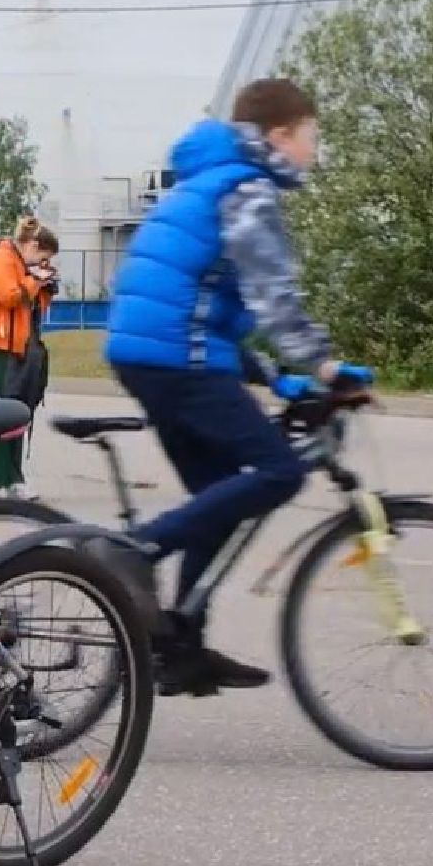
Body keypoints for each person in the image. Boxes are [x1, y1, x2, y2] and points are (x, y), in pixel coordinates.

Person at [95, 77, 370, 697]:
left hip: (153, 353)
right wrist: (327, 369)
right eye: (310, 138)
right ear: (278, 136)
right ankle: (136, 550)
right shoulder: (247, 189)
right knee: (278, 473)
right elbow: (275, 297)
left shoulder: (208, 181)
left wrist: (280, 377)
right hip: (175, 357)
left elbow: (208, 309)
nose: (314, 152)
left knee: (221, 497)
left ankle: (181, 649)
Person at [0, 216, 59, 499]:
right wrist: (34, 281)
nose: (40, 263)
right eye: (41, 257)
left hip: (19, 349)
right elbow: (10, 296)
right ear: (31, 245)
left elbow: (31, 305)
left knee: (18, 414)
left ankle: (12, 477)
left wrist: (45, 286)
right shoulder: (0, 260)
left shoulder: (20, 266)